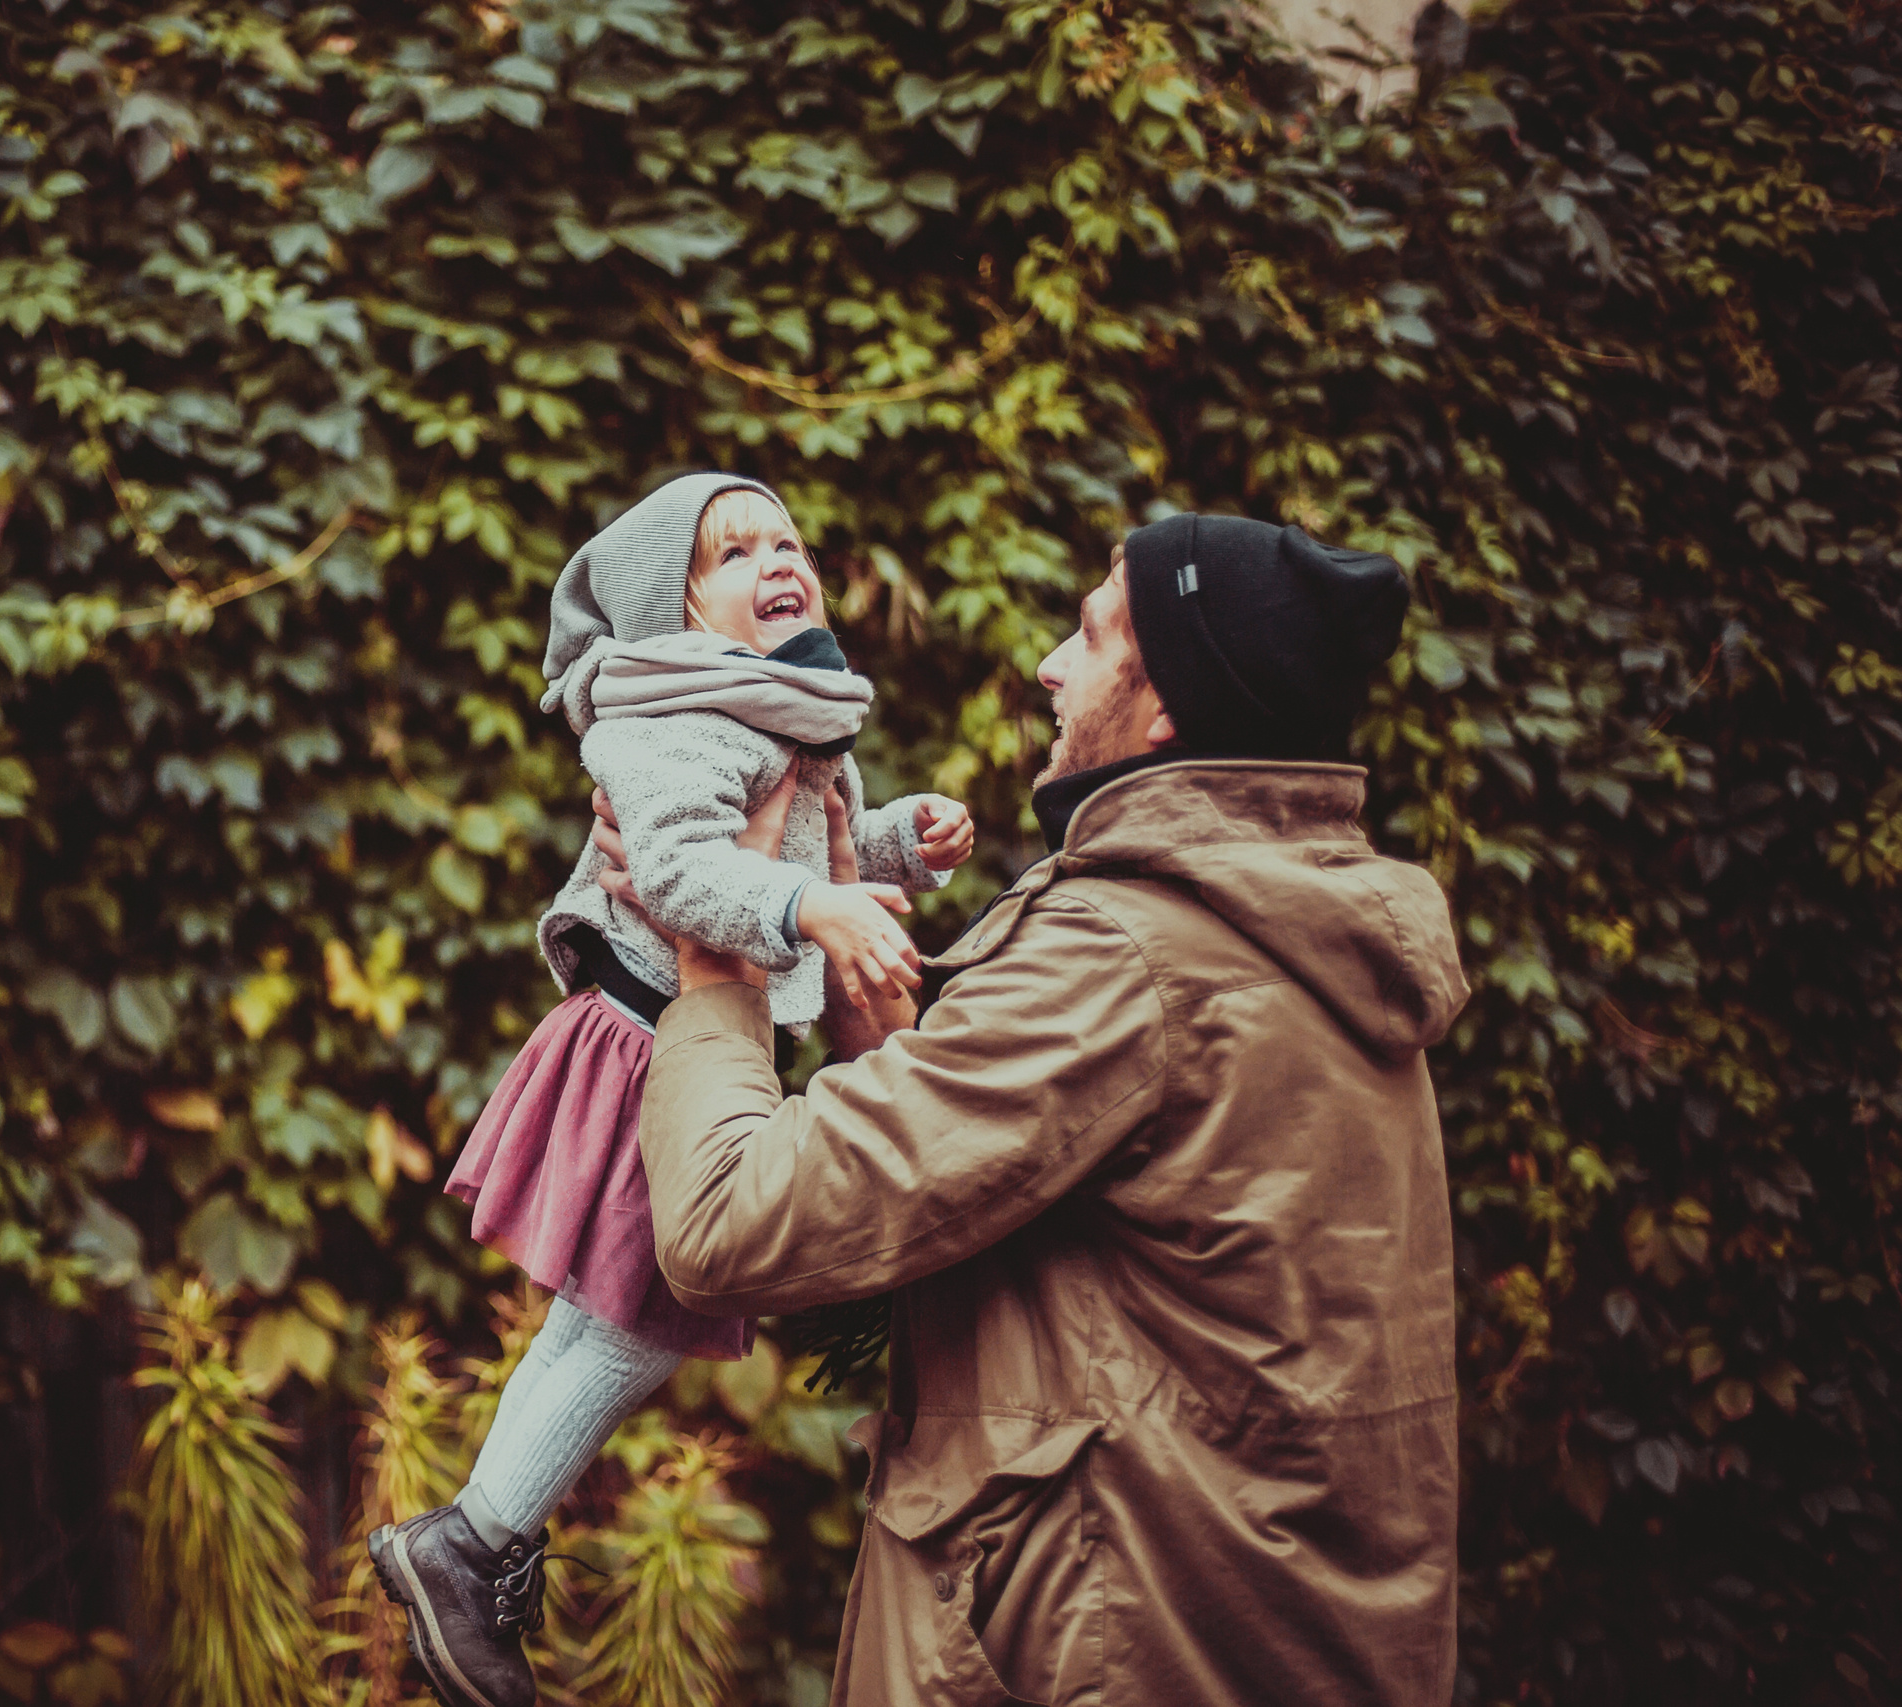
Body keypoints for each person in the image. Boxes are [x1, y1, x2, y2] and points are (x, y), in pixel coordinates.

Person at [621, 513, 1472, 1706]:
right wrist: (894, 1049)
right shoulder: (1299, 924)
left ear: (1165, 706)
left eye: (1087, 634)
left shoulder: (1125, 957)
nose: (1047, 668)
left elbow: (726, 1221)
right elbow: (1136, 1257)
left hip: (1103, 1656)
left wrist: (716, 958)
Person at [369, 473, 976, 1707]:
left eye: (786, 540)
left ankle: (469, 1540)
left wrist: (904, 837)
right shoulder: (675, 719)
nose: (775, 560)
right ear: (677, 608)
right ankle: (472, 1544)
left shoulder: (774, 707)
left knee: (594, 1326)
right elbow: (689, 876)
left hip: (671, 1047)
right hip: (652, 1053)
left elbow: (810, 840)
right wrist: (810, 906)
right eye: (734, 551)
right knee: (633, 1328)